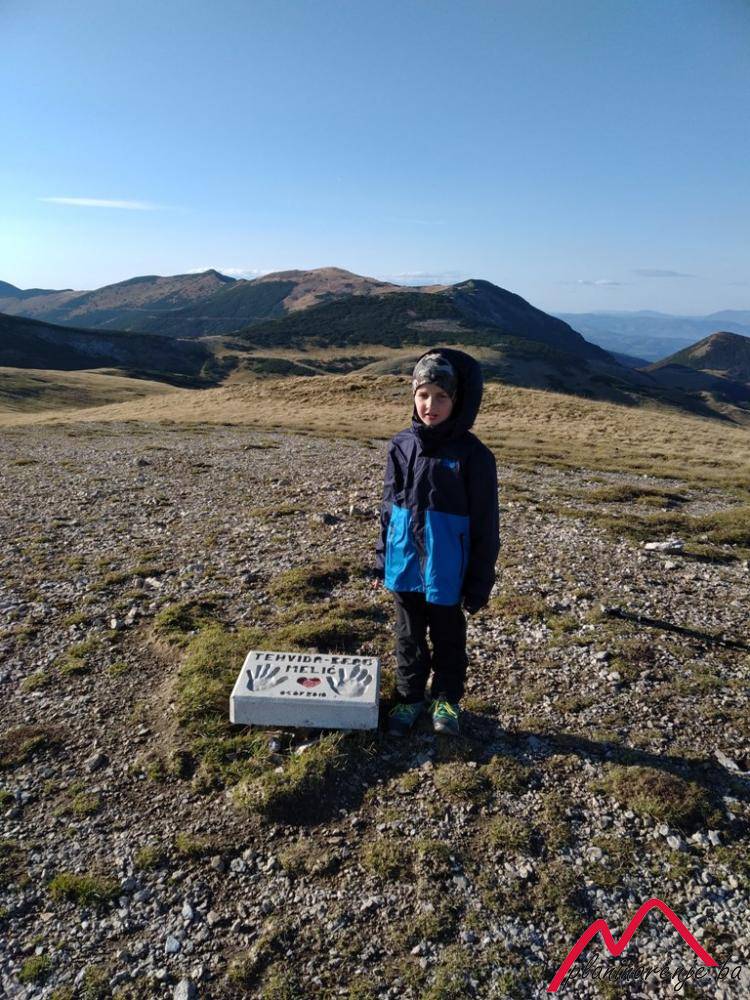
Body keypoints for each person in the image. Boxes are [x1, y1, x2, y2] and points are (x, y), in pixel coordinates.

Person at [372, 348, 500, 737]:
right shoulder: (401, 445)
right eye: (423, 394)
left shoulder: (474, 456)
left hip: (447, 568)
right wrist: (383, 556)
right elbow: (388, 507)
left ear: (458, 399)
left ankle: (446, 698)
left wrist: (479, 581)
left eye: (441, 396)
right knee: (408, 635)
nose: (431, 405)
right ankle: (409, 697)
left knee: (448, 635)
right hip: (404, 562)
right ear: (413, 395)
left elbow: (486, 524)